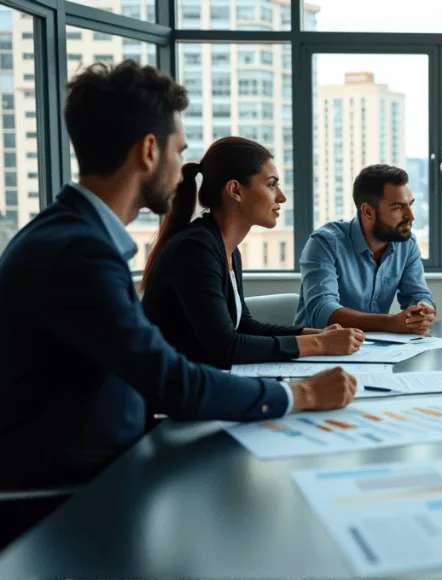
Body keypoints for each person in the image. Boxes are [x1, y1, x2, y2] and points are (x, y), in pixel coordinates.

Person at [0, 62, 357, 493]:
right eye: (178, 150)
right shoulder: (81, 253)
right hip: (63, 497)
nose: (184, 166)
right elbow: (169, 379)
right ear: (149, 150)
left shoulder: (71, 236)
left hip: (111, 466)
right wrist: (303, 395)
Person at [140, 137, 365, 370]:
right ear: (235, 190)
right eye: (271, 185)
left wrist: (313, 333)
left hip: (205, 379)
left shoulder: (227, 248)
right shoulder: (196, 249)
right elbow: (225, 346)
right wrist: (318, 343)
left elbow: (243, 324)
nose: (281, 197)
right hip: (174, 394)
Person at [294, 164, 436, 334]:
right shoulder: (325, 243)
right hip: (318, 352)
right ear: (368, 211)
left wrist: (421, 310)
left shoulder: (406, 243)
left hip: (375, 350)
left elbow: (418, 294)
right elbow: (323, 311)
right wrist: (391, 322)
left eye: (410, 205)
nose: (410, 216)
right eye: (398, 207)